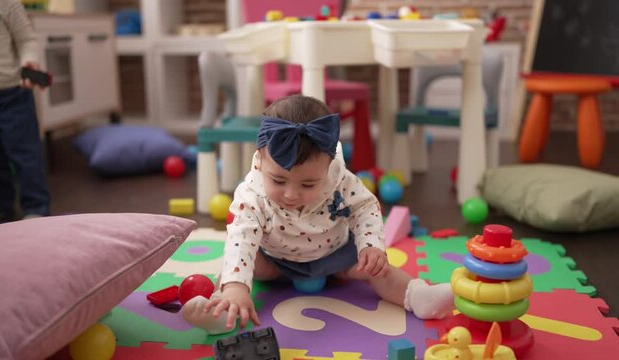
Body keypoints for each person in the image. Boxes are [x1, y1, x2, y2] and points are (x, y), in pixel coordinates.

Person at [182, 95, 454, 334]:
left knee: (377, 270)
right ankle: (223, 312)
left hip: (336, 258)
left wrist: (370, 246)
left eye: (307, 184)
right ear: (260, 160)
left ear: (328, 165)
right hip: (275, 262)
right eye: (278, 180)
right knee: (238, 269)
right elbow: (241, 240)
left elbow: (365, 208)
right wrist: (236, 288)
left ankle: (420, 296)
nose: (290, 194)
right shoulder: (251, 195)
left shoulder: (341, 180)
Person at [0, 0, 51, 224]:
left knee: (25, 153)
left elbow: (27, 40)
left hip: (11, 93)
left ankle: (36, 208)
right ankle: (1, 207)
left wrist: (29, 60)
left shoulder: (6, 3)